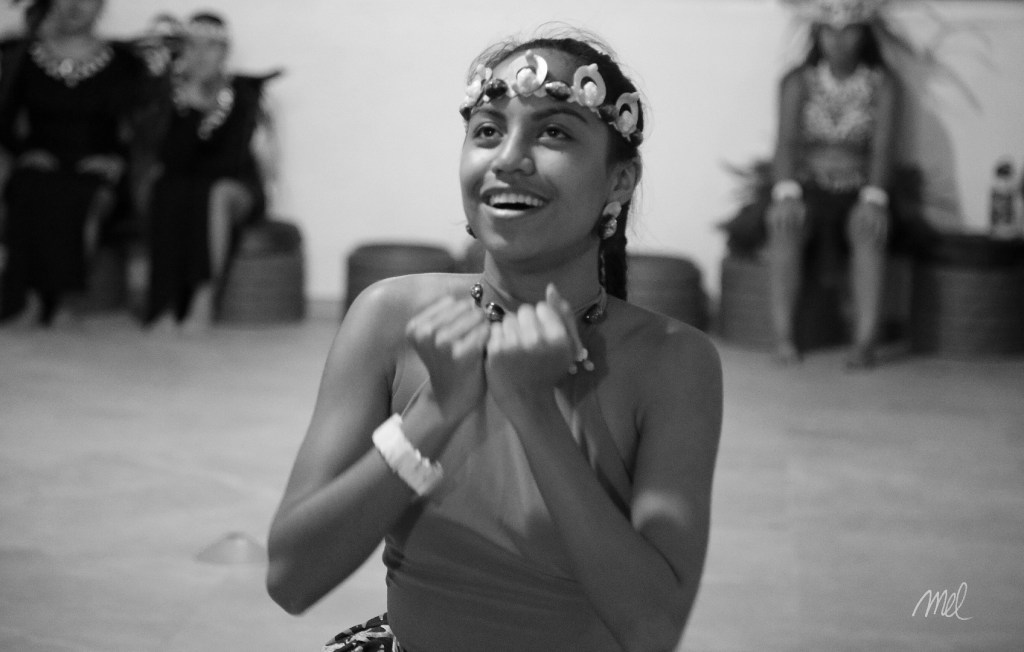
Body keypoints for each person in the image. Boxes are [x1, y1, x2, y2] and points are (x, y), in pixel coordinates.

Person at [266, 31, 723, 652]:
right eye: (487, 131)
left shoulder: (672, 360)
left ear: (620, 180)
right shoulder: (390, 318)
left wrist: (534, 409)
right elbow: (291, 579)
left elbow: (651, 630)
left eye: (553, 132)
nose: (508, 159)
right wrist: (434, 413)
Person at [767, 0, 900, 368]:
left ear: (864, 33)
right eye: (829, 30)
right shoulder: (799, 81)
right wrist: (786, 193)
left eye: (849, 30)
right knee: (783, 222)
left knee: (868, 227)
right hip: (808, 185)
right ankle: (782, 337)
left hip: (860, 188)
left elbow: (883, 149)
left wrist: (874, 199)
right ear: (817, 32)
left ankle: (865, 340)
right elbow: (785, 143)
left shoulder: (882, 84)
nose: (838, 40)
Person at [0, 0, 146, 326]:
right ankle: (29, 300)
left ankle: (63, 300)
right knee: (29, 188)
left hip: (97, 166)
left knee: (79, 195)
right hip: (42, 162)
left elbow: (140, 128)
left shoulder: (124, 62)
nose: (75, 5)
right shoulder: (24, 57)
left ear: (100, 6)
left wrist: (116, 160)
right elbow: (4, 119)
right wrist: (24, 152)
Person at [140, 12, 274, 330]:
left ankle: (203, 299)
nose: (201, 55)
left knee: (211, 191)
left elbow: (230, 162)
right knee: (167, 188)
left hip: (235, 187)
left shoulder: (243, 93)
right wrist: (188, 112)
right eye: (193, 46)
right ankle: (165, 303)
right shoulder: (169, 97)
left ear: (224, 52)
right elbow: (171, 159)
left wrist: (201, 108)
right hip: (186, 185)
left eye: (210, 47)